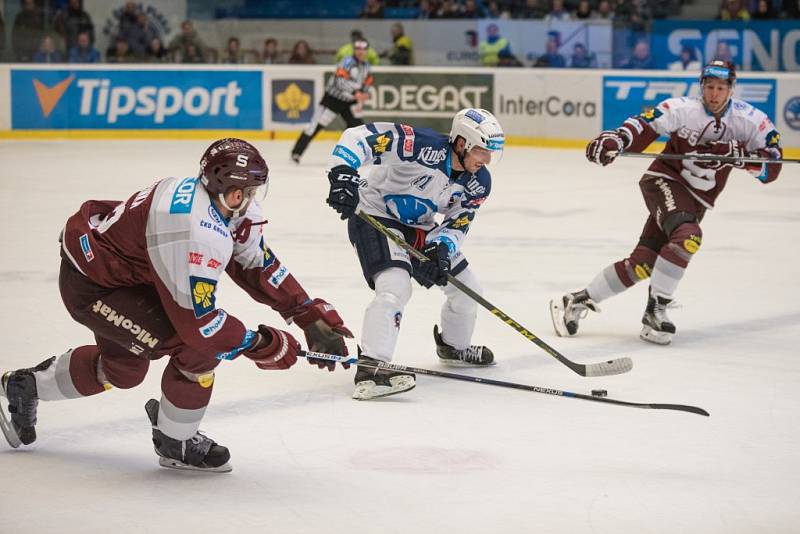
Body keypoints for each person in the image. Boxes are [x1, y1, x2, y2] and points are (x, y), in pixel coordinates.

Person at [0, 139, 353, 472]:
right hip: (96, 288)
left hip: (130, 278)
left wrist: (307, 314)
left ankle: (28, 385)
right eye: (245, 192)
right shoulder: (192, 228)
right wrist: (264, 345)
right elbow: (201, 328)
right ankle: (177, 442)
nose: (250, 199)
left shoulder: (220, 204)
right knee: (197, 349)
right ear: (229, 192)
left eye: (253, 192)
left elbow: (255, 263)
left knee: (125, 371)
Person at [550, 61, 783, 345]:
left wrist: (741, 156)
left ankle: (575, 301)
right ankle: (656, 309)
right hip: (664, 182)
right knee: (689, 237)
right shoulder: (682, 110)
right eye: (709, 87)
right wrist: (617, 140)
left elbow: (773, 165)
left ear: (731, 89)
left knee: (642, 265)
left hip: (696, 201)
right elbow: (645, 124)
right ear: (702, 86)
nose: (714, 94)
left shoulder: (750, 120)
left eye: (721, 88)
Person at [325, 109, 505, 400]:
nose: (486, 161)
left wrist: (444, 246)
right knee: (395, 286)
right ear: (462, 143)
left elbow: (460, 219)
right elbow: (359, 137)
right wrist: (343, 173)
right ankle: (371, 366)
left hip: (418, 228)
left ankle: (453, 346)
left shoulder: (478, 182)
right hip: (374, 215)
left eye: (491, 154)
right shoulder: (420, 145)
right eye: (482, 151)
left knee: (468, 289)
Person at [290, 39, 373, 164]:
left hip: (350, 102)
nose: (361, 52)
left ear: (367, 51)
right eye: (358, 49)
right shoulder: (346, 62)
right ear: (354, 50)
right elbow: (339, 81)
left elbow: (367, 82)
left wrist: (365, 93)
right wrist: (356, 93)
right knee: (314, 126)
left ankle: (362, 155)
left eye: (363, 49)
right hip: (333, 100)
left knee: (358, 128)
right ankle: (296, 153)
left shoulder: (366, 66)